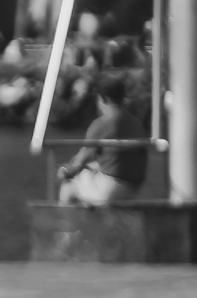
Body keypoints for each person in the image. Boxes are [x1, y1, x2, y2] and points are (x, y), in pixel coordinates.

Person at [58, 77, 148, 206]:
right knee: (92, 170)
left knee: (69, 184)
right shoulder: (136, 123)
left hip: (111, 189)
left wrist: (65, 171)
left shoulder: (102, 124)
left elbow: (79, 162)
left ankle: (65, 225)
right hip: (135, 187)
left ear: (102, 99)